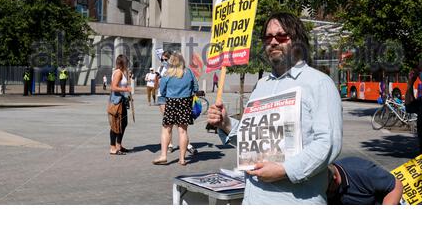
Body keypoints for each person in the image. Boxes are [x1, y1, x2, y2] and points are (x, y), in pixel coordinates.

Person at [207, 12, 343, 204]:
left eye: (280, 36)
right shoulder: (261, 85)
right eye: (267, 37)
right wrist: (226, 123)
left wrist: (284, 170)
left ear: (297, 41)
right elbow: (252, 141)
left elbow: (328, 143)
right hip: (253, 201)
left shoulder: (319, 83)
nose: (273, 42)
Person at [152, 52, 199, 166]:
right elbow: (196, 87)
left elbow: (162, 92)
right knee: (183, 131)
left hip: (171, 103)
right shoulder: (189, 73)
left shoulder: (167, 74)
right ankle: (182, 159)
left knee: (166, 129)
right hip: (185, 103)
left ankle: (163, 155)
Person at [327, 157, 403, 205]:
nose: (325, 193)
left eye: (327, 190)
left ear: (335, 178)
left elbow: (396, 186)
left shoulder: (362, 170)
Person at [109, 55, 132, 155]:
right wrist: (126, 89)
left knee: (123, 123)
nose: (128, 64)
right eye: (126, 62)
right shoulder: (118, 73)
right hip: (117, 101)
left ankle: (119, 145)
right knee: (115, 124)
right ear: (123, 63)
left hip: (121, 100)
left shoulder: (122, 72)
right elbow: (113, 87)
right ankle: (113, 147)